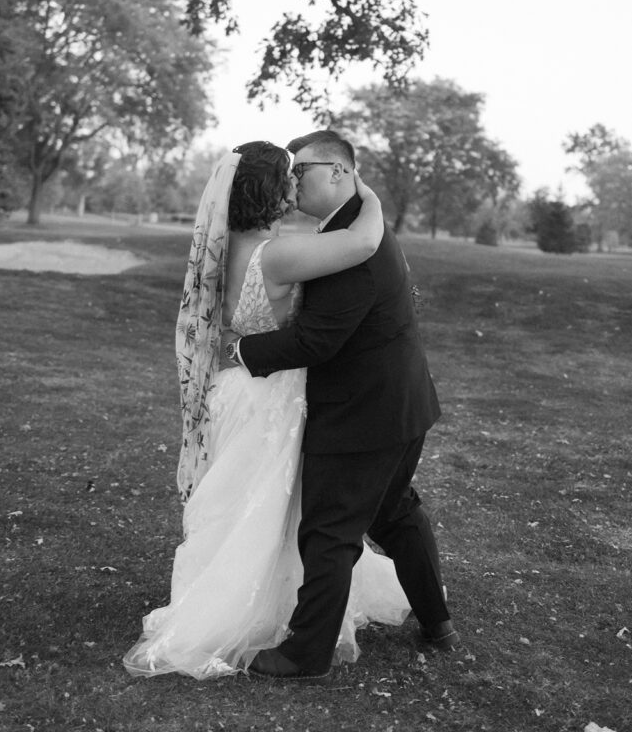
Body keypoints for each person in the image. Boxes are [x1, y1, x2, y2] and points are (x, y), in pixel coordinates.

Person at [123, 141, 411, 680]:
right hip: (271, 395)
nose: (295, 185)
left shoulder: (230, 243)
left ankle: (257, 601)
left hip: (238, 390)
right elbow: (365, 239)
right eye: (289, 177)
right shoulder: (277, 255)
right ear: (270, 189)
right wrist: (361, 185)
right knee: (267, 506)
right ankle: (243, 611)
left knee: (244, 503)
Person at [222, 130, 458, 681]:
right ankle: (437, 622)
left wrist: (240, 350)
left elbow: (316, 343)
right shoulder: (356, 229)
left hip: (364, 414)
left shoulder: (350, 246)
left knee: (329, 531)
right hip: (402, 404)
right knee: (394, 511)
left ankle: (305, 655)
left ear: (339, 172)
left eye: (300, 170)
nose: (291, 181)